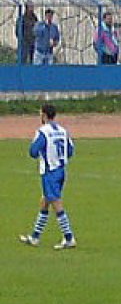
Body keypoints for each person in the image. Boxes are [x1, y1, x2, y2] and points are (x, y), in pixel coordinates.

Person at [19, 104, 76, 249]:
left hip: (50, 172)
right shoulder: (63, 131)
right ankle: (35, 236)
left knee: (56, 202)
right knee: (45, 201)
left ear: (44, 115)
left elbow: (33, 151)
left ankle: (69, 237)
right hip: (61, 170)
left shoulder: (43, 132)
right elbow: (70, 150)